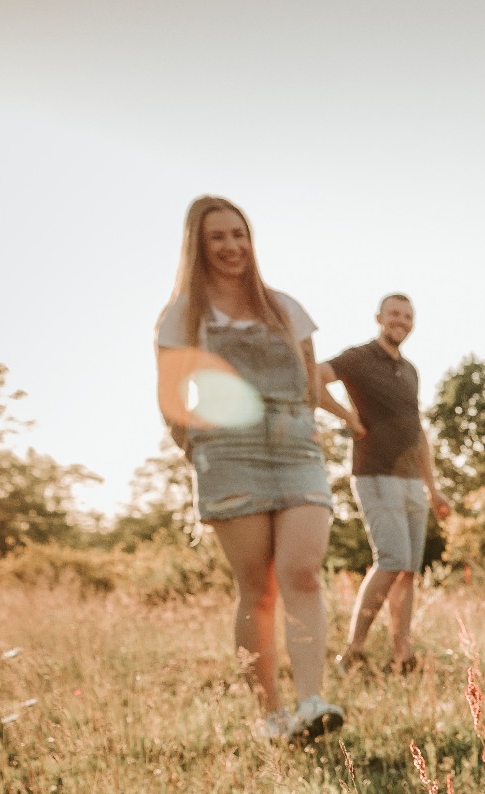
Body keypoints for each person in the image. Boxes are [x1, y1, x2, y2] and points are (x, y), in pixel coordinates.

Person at [154, 195, 351, 742]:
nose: (231, 246)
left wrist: (306, 427)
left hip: (295, 449)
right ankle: (271, 715)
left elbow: (309, 381)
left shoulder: (285, 308)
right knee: (258, 588)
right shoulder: (183, 315)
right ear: (198, 245)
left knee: (301, 571)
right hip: (228, 454)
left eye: (239, 234)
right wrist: (199, 450)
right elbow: (171, 398)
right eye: (218, 237)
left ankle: (312, 702)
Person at [320, 294, 451, 674]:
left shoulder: (410, 370)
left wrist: (433, 488)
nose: (401, 321)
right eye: (395, 314)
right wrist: (348, 418)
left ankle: (402, 656)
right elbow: (313, 377)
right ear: (379, 317)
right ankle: (353, 653)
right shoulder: (359, 358)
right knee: (392, 560)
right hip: (375, 473)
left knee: (408, 569)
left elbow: (417, 431)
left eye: (408, 316)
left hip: (412, 482)